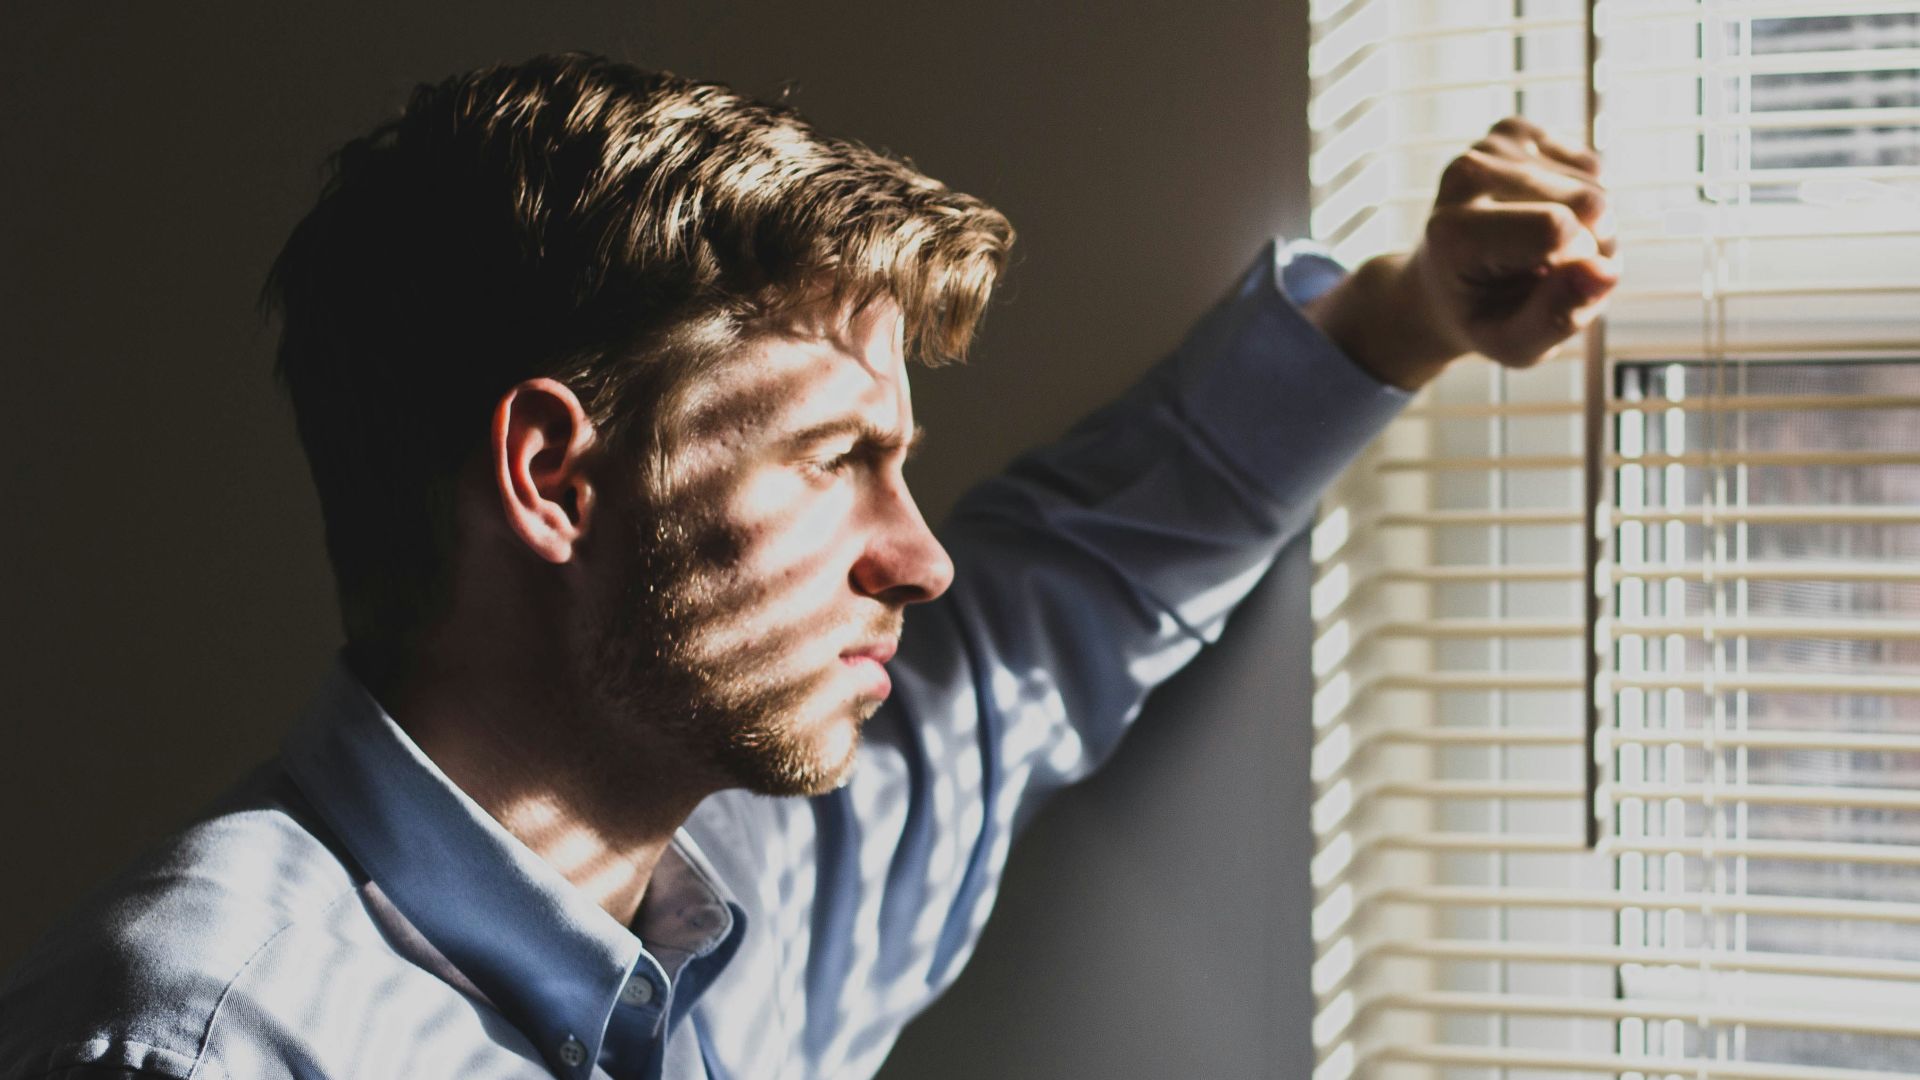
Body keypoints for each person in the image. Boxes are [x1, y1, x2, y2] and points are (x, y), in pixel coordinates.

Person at [0, 53, 1616, 1080]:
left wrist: (1404, 316)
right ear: (555, 478)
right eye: (838, 460)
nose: (919, 558)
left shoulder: (751, 907)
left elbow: (1056, 606)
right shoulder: (199, 1043)